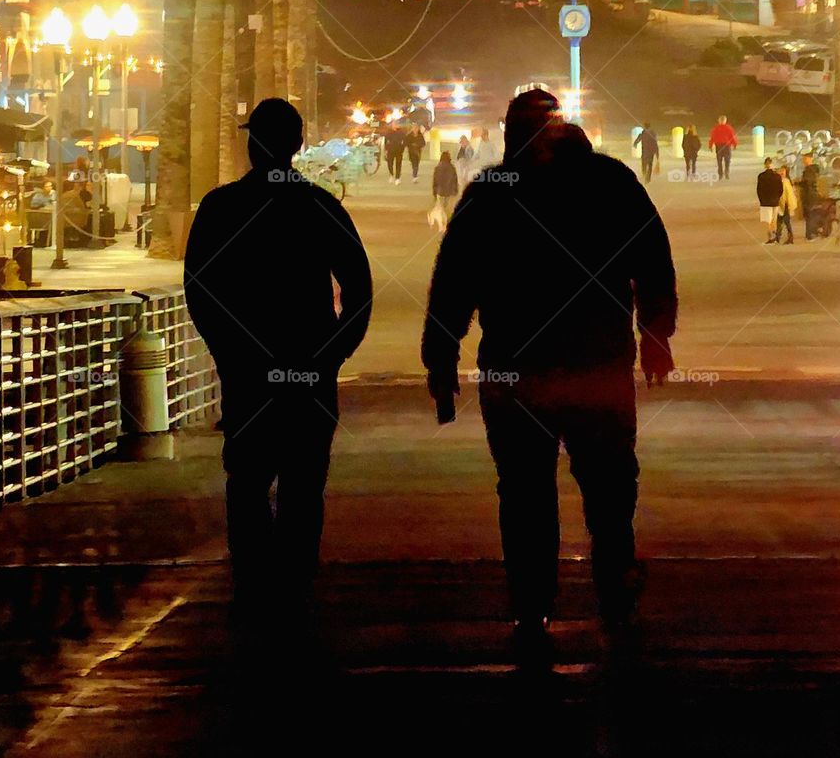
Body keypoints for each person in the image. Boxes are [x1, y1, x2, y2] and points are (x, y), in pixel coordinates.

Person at [422, 89, 677, 657]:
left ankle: (532, 604)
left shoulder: (489, 195)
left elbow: (453, 283)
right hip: (599, 366)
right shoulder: (612, 184)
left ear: (512, 134)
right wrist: (656, 336)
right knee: (610, 486)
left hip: (516, 373)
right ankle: (614, 588)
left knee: (523, 491)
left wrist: (441, 360)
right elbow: (653, 262)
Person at [183, 98, 372, 610]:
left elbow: (199, 289)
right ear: (299, 146)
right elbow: (359, 284)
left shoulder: (221, 208)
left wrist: (227, 352)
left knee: (246, 480)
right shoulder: (319, 206)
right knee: (304, 482)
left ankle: (253, 584)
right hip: (310, 368)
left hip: (248, 373)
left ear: (252, 144)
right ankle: (293, 583)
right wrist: (333, 353)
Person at [756, 157, 783, 243]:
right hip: (775, 201)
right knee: (774, 220)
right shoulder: (777, 176)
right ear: (772, 165)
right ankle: (775, 237)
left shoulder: (761, 176)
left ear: (765, 165)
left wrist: (761, 199)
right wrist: (778, 197)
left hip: (765, 202)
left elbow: (759, 189)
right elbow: (780, 189)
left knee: (767, 221)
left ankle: (770, 237)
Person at [430, 149, 458, 233]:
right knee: (448, 210)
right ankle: (446, 226)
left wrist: (434, 193)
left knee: (440, 210)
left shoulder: (437, 168)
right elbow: (455, 181)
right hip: (449, 192)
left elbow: (435, 181)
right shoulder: (452, 168)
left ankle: (441, 226)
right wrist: (455, 191)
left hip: (440, 192)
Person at [798, 152, 821, 240]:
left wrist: (798, 183)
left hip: (810, 195)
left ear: (810, 159)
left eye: (805, 159)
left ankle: (811, 234)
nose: (804, 161)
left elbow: (808, 182)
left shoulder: (810, 170)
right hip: (809, 195)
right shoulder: (811, 169)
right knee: (810, 215)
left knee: (811, 215)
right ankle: (810, 233)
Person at [708, 115, 738, 180]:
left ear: (719, 121)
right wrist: (735, 144)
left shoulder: (716, 128)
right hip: (726, 146)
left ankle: (720, 174)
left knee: (719, 160)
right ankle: (726, 172)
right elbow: (732, 137)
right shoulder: (729, 128)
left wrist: (710, 146)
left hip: (719, 146)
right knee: (727, 160)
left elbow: (712, 138)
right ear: (725, 121)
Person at [774, 165, 797, 244]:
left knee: (786, 222)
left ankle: (790, 237)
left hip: (786, 205)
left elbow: (789, 195)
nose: (781, 172)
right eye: (780, 171)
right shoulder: (779, 181)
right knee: (779, 221)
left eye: (783, 171)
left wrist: (790, 205)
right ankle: (778, 237)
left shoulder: (786, 181)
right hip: (781, 204)